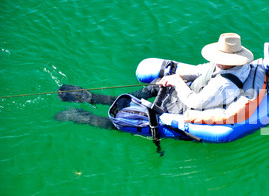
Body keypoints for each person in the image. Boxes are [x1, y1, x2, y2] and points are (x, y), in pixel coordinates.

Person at [55, 33, 253, 128]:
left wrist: (177, 83)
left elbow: (196, 102)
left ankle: (83, 116)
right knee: (154, 85)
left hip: (184, 107)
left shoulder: (224, 85)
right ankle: (96, 98)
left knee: (125, 121)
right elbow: (202, 71)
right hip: (189, 91)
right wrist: (176, 78)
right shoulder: (233, 65)